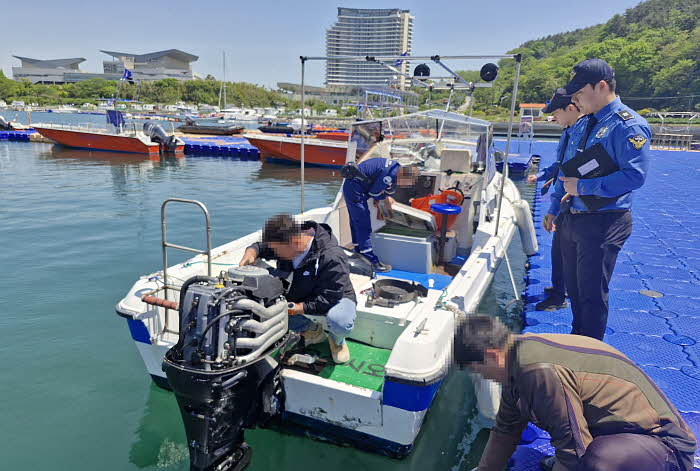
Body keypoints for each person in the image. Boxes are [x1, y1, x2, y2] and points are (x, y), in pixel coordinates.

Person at [455, 315, 697, 471]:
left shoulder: (536, 370)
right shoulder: (515, 358)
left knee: (598, 460)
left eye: (478, 370)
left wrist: (568, 464)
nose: (483, 377)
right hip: (619, 432)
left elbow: (573, 446)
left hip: (668, 448)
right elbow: (505, 429)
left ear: (492, 356)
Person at [551, 58, 650, 340]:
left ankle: (590, 353)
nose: (576, 100)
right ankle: (576, 340)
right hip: (573, 217)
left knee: (592, 294)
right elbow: (568, 165)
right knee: (575, 290)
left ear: (602, 86)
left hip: (604, 221)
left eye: (580, 93)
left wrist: (583, 187)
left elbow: (634, 176)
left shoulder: (627, 126)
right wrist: (559, 202)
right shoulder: (584, 123)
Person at [239, 214, 356, 364]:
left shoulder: (333, 257)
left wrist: (294, 308)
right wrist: (251, 252)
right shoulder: (287, 240)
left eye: (277, 250)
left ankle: (337, 340)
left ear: (295, 242)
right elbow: (261, 247)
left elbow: (329, 299)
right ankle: (312, 330)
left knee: (340, 322)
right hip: (298, 288)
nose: (275, 253)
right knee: (253, 283)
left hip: (333, 295)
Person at [527, 88, 586, 311]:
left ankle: (560, 296)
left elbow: (569, 173)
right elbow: (560, 165)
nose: (554, 118)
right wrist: (542, 176)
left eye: (556, 113)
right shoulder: (569, 132)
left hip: (573, 203)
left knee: (565, 253)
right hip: (564, 201)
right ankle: (560, 288)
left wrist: (554, 207)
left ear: (570, 108)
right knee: (560, 251)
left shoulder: (584, 134)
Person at [341, 157, 418, 272]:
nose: (406, 185)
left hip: (356, 187)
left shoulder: (395, 168)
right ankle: (370, 261)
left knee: (356, 222)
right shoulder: (390, 174)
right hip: (354, 189)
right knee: (363, 224)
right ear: (403, 176)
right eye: (407, 182)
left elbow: (385, 188)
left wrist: (385, 196)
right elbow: (374, 193)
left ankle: (358, 251)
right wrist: (384, 198)